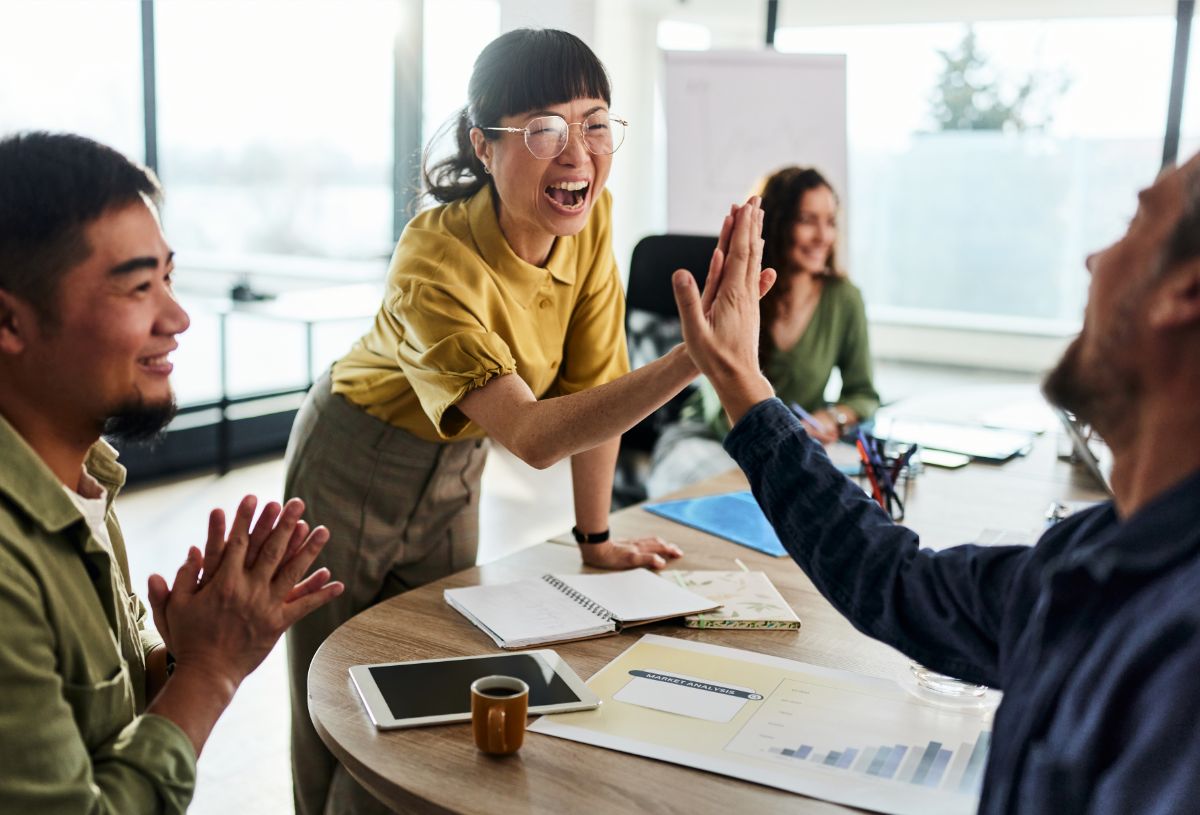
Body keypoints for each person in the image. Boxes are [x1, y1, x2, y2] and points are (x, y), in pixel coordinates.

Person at [283, 28, 762, 815]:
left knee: (427, 676)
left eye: (595, 123)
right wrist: (694, 358)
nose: (577, 154)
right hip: (353, 455)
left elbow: (595, 388)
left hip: (457, 461)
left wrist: (596, 539)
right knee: (336, 692)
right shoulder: (433, 258)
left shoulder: (591, 221)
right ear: (484, 143)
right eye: (544, 128)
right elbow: (535, 434)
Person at [674, 152, 1200, 813]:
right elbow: (897, 580)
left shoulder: (1178, 652)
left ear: (1186, 291)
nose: (1093, 260)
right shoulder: (1097, 554)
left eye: (1133, 224)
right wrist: (744, 385)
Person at [0, 131, 344, 813]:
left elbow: (98, 710)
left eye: (169, 277)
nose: (178, 316)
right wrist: (212, 672)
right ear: (10, 321)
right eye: (136, 287)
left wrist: (197, 647)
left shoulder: (82, 473)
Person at [646, 166, 878, 498]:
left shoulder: (844, 299)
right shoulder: (741, 290)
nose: (822, 236)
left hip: (789, 446)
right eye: (807, 220)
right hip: (713, 438)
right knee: (738, 500)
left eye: (830, 222)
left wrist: (829, 419)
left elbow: (864, 394)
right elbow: (719, 400)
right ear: (779, 223)